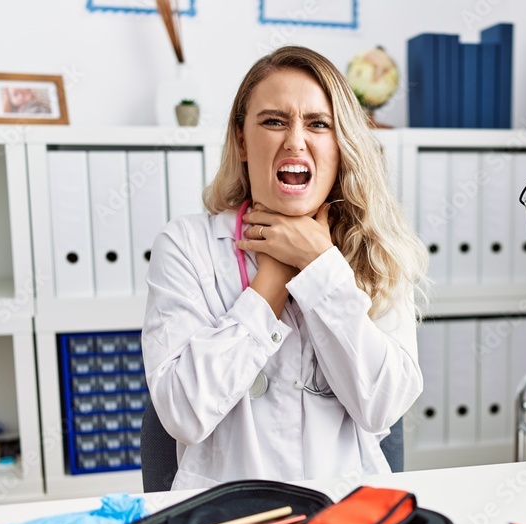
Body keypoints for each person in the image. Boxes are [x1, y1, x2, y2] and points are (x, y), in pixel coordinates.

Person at [142, 46, 428, 490]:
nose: (296, 140)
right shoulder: (186, 246)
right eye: (274, 121)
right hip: (224, 523)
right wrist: (272, 278)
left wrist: (319, 268)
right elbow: (183, 412)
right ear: (241, 140)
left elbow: (384, 405)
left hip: (344, 517)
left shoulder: (377, 251)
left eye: (318, 124)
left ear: (341, 143)